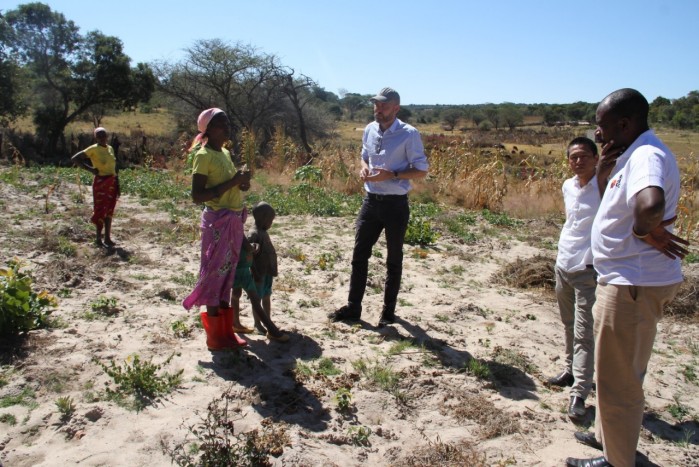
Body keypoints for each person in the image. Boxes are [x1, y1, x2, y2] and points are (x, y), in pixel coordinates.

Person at [566, 89, 689, 467]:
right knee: (614, 369)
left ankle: (617, 462)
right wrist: (603, 173)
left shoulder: (646, 156)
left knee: (620, 382)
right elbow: (619, 206)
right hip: (626, 281)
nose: (597, 135)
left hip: (631, 285)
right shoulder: (628, 155)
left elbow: (649, 205)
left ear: (625, 124)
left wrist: (643, 230)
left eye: (602, 127)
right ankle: (608, 439)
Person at [328, 87, 429, 327]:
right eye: (376, 105)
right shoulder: (369, 129)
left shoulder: (408, 134)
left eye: (384, 106)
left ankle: (388, 313)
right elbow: (364, 155)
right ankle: (353, 308)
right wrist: (363, 167)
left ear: (396, 108)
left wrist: (392, 174)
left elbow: (422, 170)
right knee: (358, 256)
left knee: (393, 260)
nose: (378, 109)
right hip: (370, 202)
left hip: (396, 204)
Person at [181, 108, 252, 351]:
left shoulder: (223, 152)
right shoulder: (203, 156)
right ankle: (215, 338)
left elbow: (230, 187)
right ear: (208, 129)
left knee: (227, 277)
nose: (227, 126)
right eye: (221, 123)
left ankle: (226, 333)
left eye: (227, 122)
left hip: (231, 221)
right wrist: (233, 182)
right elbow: (197, 196)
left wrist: (242, 183)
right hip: (216, 223)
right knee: (214, 276)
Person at [547, 137, 600, 423]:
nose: (578, 161)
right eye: (573, 157)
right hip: (563, 264)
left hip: (588, 270)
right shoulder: (568, 186)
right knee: (568, 325)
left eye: (584, 156)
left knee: (584, 333)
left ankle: (580, 392)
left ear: (596, 157)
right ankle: (570, 371)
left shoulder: (605, 187)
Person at [231, 236, 289, 342]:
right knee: (254, 298)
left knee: (236, 295)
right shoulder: (237, 228)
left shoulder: (233, 228)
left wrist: (254, 270)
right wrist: (254, 247)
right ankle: (271, 330)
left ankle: (236, 323)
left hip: (240, 269)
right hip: (241, 271)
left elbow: (250, 257)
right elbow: (248, 248)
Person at [71, 127, 120, 248]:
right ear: (95, 138)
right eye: (99, 136)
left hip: (112, 182)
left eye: (104, 135)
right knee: (100, 210)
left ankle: (107, 238)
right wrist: (91, 169)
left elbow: (114, 167)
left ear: (107, 136)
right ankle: (98, 239)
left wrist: (117, 184)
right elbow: (75, 159)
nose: (102, 138)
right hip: (101, 182)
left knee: (109, 210)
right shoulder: (93, 149)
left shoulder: (110, 148)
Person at [248, 201, 279, 333]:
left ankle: (267, 320)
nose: (271, 224)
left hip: (267, 272)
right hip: (259, 274)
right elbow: (249, 257)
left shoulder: (263, 231)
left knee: (266, 296)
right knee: (257, 299)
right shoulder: (254, 234)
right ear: (263, 219)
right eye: (270, 221)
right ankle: (257, 323)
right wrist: (255, 273)